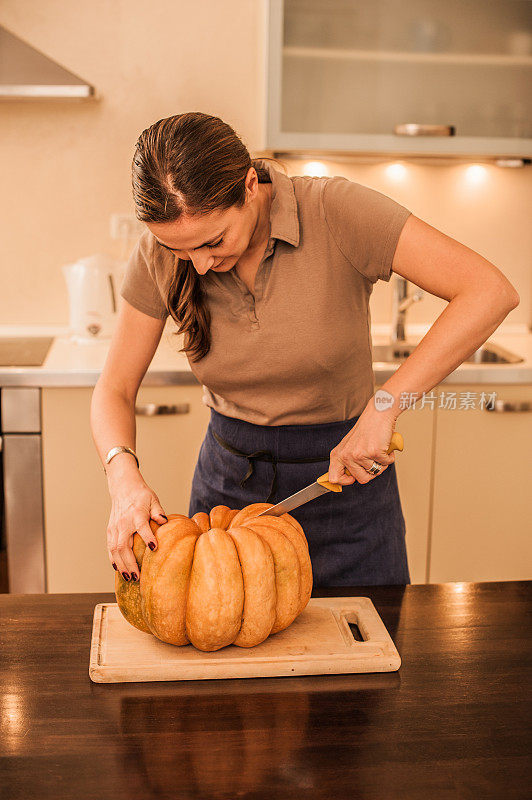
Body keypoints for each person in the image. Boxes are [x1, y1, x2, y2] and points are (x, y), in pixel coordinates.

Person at [90, 112, 519, 587]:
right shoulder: (159, 256)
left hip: (344, 487)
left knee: (369, 654)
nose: (201, 265)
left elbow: (488, 291)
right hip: (227, 495)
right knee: (230, 651)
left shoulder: (335, 211)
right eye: (179, 250)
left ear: (250, 184)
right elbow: (114, 388)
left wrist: (383, 408)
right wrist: (122, 476)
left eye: (213, 241)